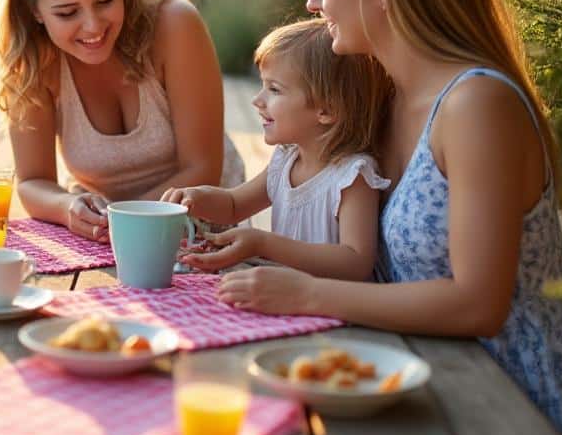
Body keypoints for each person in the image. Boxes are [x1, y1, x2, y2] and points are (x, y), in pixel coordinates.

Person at [214, 0, 562, 435]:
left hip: (533, 421)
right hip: (426, 390)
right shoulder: (382, 96)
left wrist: (303, 292)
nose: (311, 3)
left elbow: (477, 303)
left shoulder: (476, 106)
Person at [0, 0, 243, 243]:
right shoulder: (33, 60)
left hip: (203, 224)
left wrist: (120, 220)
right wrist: (68, 207)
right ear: (35, 11)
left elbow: (202, 169)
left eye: (105, 0)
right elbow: (33, 183)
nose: (92, 26)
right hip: (105, 232)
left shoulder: (174, 23)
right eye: (67, 13)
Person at [165, 18, 392, 280]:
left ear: (327, 109)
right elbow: (234, 205)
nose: (257, 100)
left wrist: (265, 245)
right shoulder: (286, 160)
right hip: (283, 298)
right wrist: (196, 198)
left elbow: (355, 262)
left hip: (332, 309)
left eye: (274, 89)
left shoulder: (352, 177)